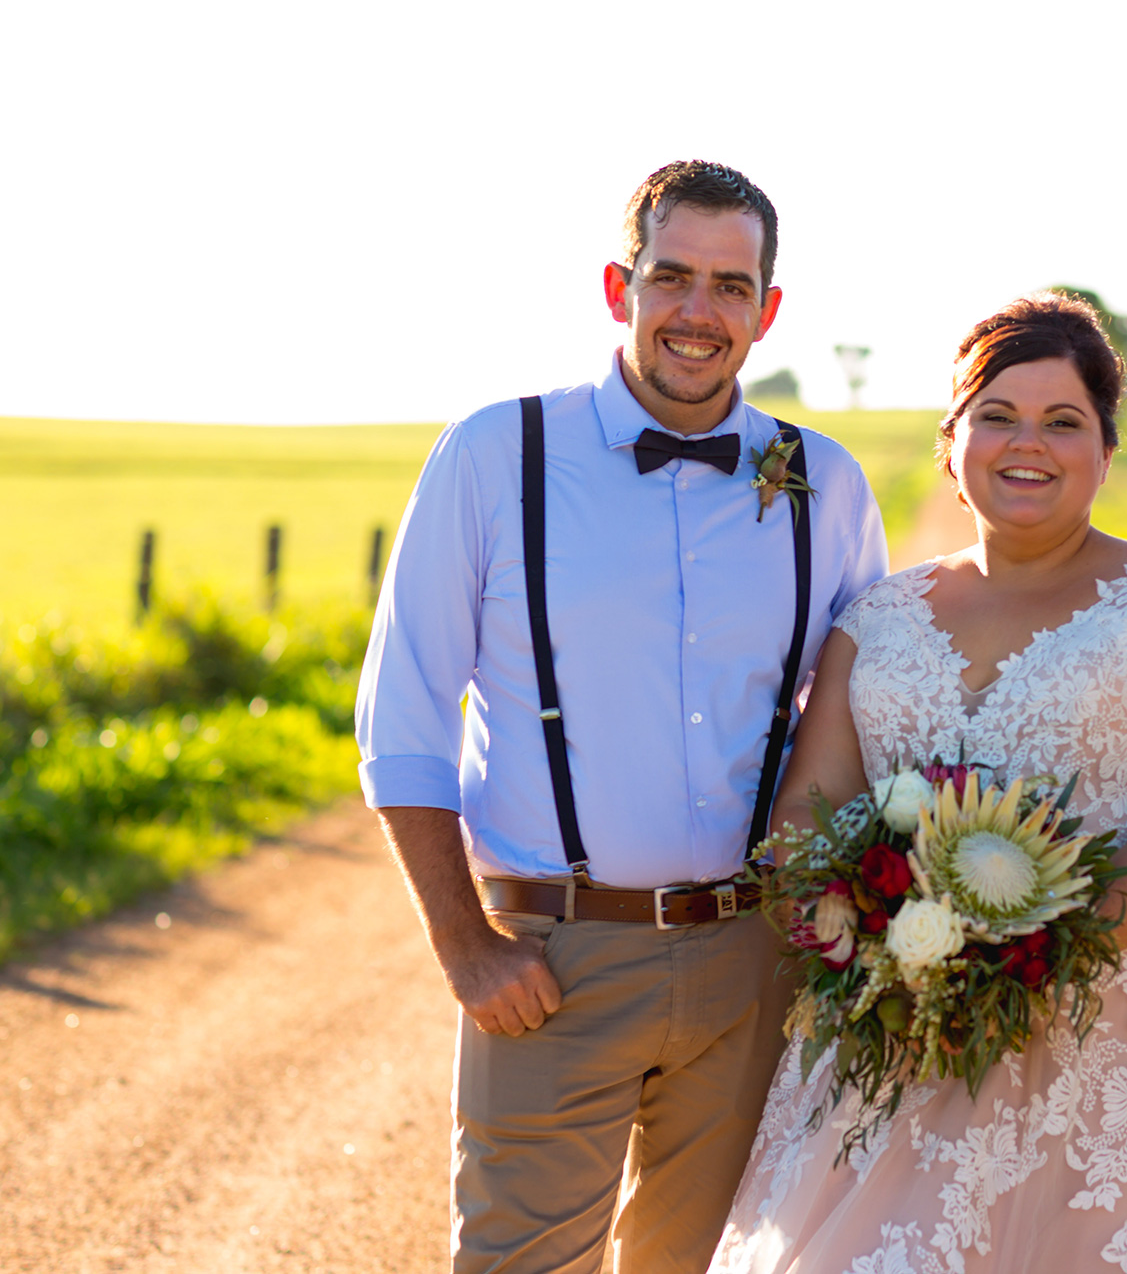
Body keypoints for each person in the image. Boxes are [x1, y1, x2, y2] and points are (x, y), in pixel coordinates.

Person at [355, 160, 889, 1273]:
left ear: (767, 309)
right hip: (552, 959)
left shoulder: (820, 481)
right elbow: (403, 714)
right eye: (672, 278)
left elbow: (858, 717)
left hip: (755, 959)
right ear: (620, 286)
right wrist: (463, 944)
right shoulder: (496, 456)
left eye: (730, 286)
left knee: (705, 1264)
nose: (699, 313)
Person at [707, 293, 1127, 1274]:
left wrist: (1035, 944)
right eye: (998, 416)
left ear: (1105, 449)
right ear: (951, 441)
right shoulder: (876, 619)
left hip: (1109, 1039)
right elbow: (805, 816)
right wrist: (870, 940)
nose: (1030, 445)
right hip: (898, 1024)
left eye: (1063, 421)